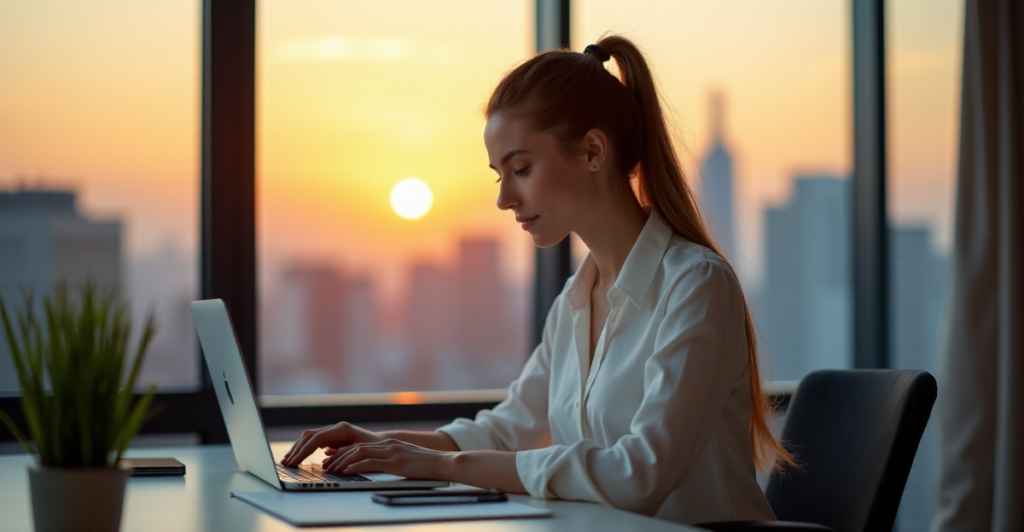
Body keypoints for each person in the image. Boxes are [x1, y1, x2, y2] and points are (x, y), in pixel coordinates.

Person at [282, 34, 795, 525]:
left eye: (520, 169)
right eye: (498, 174)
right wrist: (387, 446)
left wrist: (441, 466)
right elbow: (506, 432)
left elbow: (641, 474)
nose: (504, 198)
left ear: (594, 152)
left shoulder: (695, 286)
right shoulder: (576, 298)